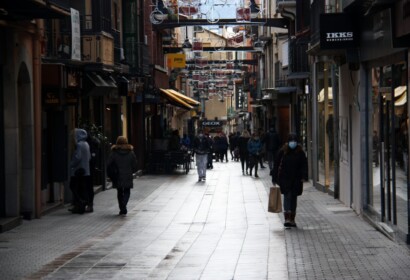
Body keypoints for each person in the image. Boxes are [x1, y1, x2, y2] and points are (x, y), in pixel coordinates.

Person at [271, 133, 308, 228]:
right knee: (288, 196)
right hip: (285, 179)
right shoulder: (282, 152)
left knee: (293, 198)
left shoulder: (300, 153)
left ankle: (292, 219)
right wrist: (274, 178)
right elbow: (276, 165)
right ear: (288, 142)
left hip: (296, 179)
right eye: (291, 141)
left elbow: (304, 165)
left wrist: (304, 176)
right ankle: (287, 218)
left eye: (294, 141)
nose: (293, 143)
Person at [106, 136, 138, 216]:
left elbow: (109, 164)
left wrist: (111, 174)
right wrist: (132, 171)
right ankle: (124, 205)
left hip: (117, 175)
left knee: (120, 191)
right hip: (127, 175)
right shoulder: (131, 152)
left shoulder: (114, 153)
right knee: (127, 190)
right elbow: (134, 164)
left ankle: (122, 208)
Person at [69, 128, 91, 214]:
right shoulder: (86, 144)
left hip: (77, 171)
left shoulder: (79, 145)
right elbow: (89, 157)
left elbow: (77, 157)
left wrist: (71, 164)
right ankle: (80, 205)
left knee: (73, 187)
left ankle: (80, 203)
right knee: (82, 188)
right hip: (85, 171)